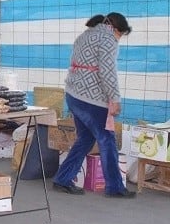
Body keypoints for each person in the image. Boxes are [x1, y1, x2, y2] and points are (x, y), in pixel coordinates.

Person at [52, 12, 136, 198]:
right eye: (120, 35)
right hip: (92, 100)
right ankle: (115, 187)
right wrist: (114, 99)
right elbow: (108, 72)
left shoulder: (86, 35)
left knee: (86, 139)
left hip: (73, 95)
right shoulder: (108, 39)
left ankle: (62, 179)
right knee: (107, 140)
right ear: (115, 29)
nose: (119, 39)